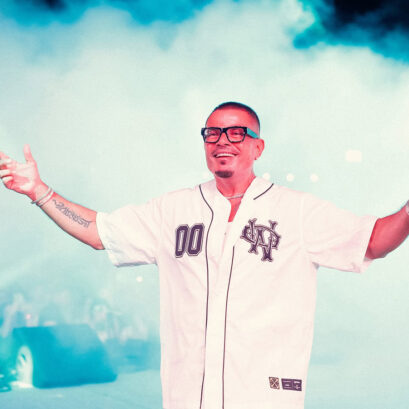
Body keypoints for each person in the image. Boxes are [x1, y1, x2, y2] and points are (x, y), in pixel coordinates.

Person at [0, 101, 408, 409]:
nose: (221, 141)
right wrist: (40, 191)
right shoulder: (173, 210)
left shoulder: (296, 210)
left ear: (258, 147)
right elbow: (98, 232)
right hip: (188, 397)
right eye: (212, 133)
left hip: (265, 396)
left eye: (235, 133)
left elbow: (375, 241)